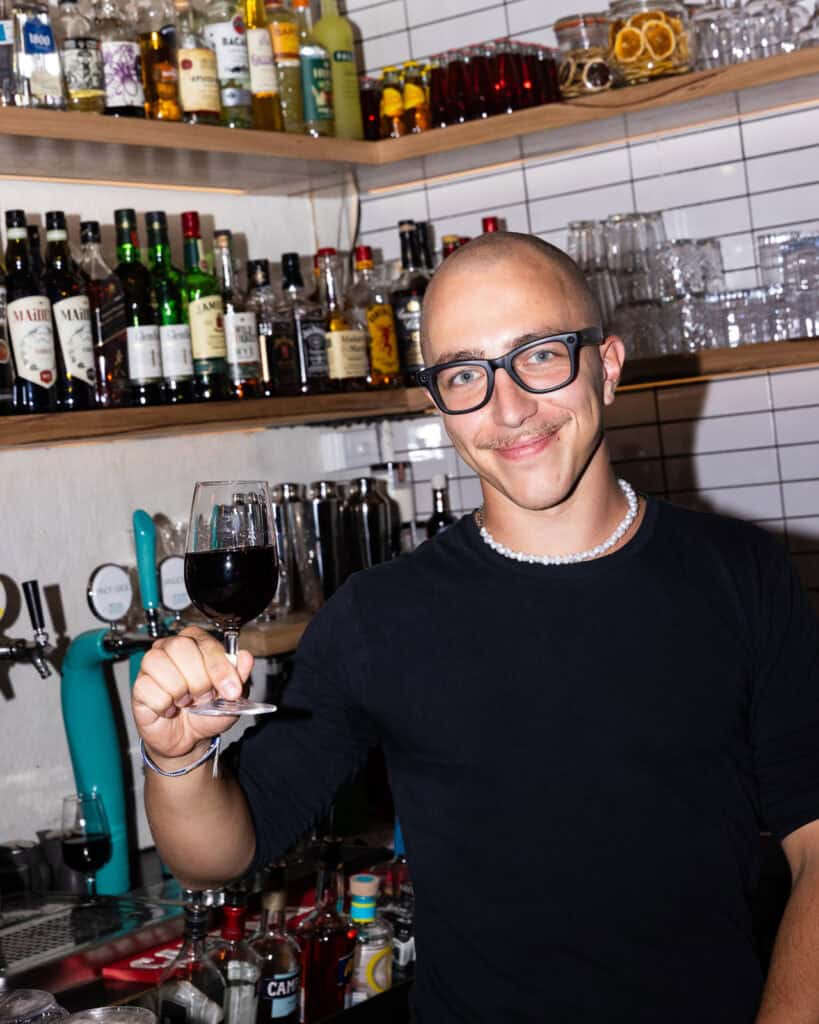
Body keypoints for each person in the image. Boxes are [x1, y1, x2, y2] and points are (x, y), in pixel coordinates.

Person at [132, 232, 819, 1023]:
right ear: (437, 404)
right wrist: (174, 760)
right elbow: (223, 853)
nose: (507, 408)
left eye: (538, 355)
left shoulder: (740, 575)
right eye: (465, 373)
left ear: (608, 363)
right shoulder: (378, 616)